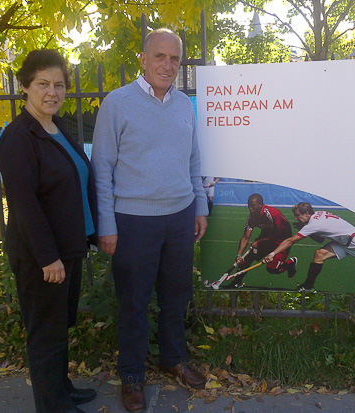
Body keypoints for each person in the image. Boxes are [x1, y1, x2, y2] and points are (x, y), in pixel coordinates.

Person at [91, 28, 208, 412]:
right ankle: (132, 376)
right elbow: (102, 168)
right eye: (160, 56)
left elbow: (193, 161)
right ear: (143, 59)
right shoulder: (118, 103)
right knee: (134, 302)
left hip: (179, 217)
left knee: (176, 297)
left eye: (175, 59)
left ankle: (173, 359)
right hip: (133, 221)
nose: (168, 65)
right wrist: (106, 223)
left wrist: (200, 207)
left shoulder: (183, 105)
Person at [0, 49, 98, 413]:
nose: (51, 91)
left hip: (68, 248)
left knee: (59, 327)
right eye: (42, 84)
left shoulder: (57, 128)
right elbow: (25, 205)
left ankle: (61, 388)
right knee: (45, 334)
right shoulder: (17, 137)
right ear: (25, 86)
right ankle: (52, 405)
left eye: (58, 84)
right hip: (42, 256)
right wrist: (48, 257)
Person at [264, 202, 355, 292]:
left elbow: (290, 241)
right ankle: (308, 286)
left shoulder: (314, 223)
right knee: (319, 254)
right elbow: (320, 238)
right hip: (342, 242)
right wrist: (305, 228)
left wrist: (272, 253)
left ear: (307, 213)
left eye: (298, 216)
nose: (296, 218)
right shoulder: (317, 216)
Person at [225, 193, 297, 288]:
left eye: (253, 206)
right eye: (249, 206)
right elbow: (245, 237)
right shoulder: (251, 218)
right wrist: (239, 255)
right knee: (246, 259)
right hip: (266, 237)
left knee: (272, 268)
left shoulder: (273, 213)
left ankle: (290, 263)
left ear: (260, 205)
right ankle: (236, 282)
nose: (250, 209)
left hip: (282, 240)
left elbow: (279, 233)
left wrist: (259, 242)